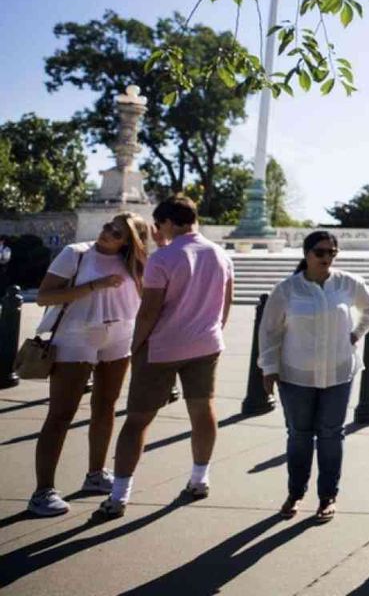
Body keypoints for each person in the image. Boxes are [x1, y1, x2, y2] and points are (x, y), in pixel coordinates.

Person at [94, 195, 233, 521]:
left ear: (168, 222)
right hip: (205, 344)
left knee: (138, 420)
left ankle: (119, 494)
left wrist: (134, 347)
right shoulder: (221, 255)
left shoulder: (163, 259)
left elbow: (149, 312)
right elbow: (226, 303)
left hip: (162, 347)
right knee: (203, 412)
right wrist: (211, 332)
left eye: (159, 225)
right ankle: (200, 478)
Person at [28, 213, 151, 517]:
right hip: (76, 335)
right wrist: (94, 286)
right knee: (61, 413)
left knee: (106, 407)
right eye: (109, 226)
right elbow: (44, 296)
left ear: (129, 242)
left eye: (117, 232)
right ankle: (42, 491)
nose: (107, 232)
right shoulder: (76, 253)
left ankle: (95, 474)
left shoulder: (136, 265)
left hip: (119, 336)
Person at [259, 230, 369, 521]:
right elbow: (270, 331)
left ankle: (327, 496)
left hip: (338, 373)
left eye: (332, 253)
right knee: (299, 435)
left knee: (331, 435)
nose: (327, 258)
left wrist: (356, 334)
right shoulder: (287, 290)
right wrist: (269, 368)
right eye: (321, 253)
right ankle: (295, 493)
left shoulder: (347, 283)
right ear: (307, 254)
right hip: (296, 376)